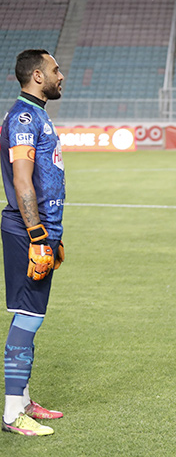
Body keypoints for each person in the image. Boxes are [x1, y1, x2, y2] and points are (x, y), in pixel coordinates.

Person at [1, 49, 67, 436]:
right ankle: (12, 415)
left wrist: (53, 236)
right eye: (56, 70)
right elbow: (23, 181)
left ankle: (24, 401)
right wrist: (39, 236)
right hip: (28, 233)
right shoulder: (24, 118)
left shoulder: (37, 114)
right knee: (28, 317)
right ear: (38, 76)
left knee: (32, 316)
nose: (62, 76)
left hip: (42, 232)